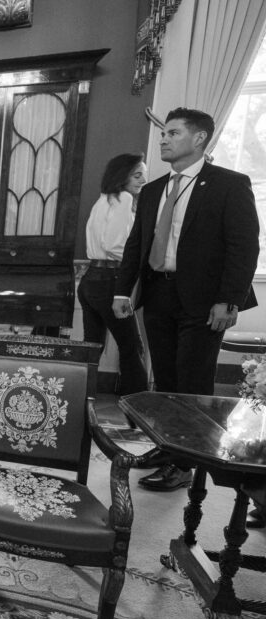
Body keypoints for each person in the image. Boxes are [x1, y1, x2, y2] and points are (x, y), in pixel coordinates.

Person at [113, 107, 260, 491]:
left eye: (173, 133)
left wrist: (228, 300)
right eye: (163, 134)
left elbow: (243, 247)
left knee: (192, 384)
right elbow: (136, 246)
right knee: (164, 381)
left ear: (199, 139)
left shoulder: (229, 184)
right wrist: (121, 290)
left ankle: (187, 465)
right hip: (158, 294)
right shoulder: (152, 190)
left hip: (204, 300)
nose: (163, 139)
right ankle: (168, 449)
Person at [78, 153, 150, 413]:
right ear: (122, 177)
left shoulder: (103, 200)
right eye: (137, 174)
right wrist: (142, 261)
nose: (144, 179)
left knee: (91, 348)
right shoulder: (125, 199)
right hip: (110, 280)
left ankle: (78, 402)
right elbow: (114, 245)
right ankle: (138, 409)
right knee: (132, 347)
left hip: (90, 280)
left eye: (144, 174)